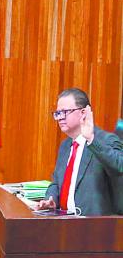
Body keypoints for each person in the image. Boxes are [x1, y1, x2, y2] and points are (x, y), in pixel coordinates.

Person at [36, 88, 123, 216]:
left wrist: (91, 140)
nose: (60, 117)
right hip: (65, 223)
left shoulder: (105, 140)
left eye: (65, 112)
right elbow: (56, 182)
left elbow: (119, 165)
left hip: (95, 227)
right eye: (57, 113)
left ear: (83, 112)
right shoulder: (65, 145)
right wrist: (51, 199)